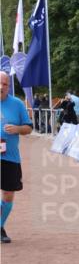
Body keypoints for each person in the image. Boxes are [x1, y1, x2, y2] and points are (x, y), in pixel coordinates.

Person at [1, 71, 33, 244]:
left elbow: (29, 128)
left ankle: (0, 226)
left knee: (8, 195)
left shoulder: (17, 104)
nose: (1, 87)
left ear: (9, 86)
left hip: (10, 158)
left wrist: (17, 129)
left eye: (5, 84)